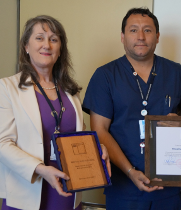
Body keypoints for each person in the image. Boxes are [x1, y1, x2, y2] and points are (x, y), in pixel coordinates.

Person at [82, 7, 181, 210]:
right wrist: (129, 171)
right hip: (123, 186)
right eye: (133, 30)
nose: (141, 36)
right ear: (122, 36)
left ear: (158, 36)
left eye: (148, 30)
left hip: (167, 187)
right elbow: (99, 130)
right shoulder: (105, 76)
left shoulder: (175, 72)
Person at [0, 15, 111, 210]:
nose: (47, 45)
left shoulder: (70, 92)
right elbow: (2, 144)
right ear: (26, 46)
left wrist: (97, 148)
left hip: (68, 190)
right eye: (39, 38)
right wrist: (41, 169)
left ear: (60, 50)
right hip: (28, 191)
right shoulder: (7, 88)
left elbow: (78, 137)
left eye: (53, 39)